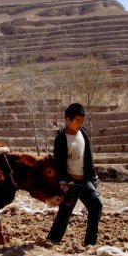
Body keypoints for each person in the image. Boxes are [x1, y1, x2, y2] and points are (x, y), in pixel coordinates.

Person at [47, 103, 103, 245]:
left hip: (84, 181)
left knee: (96, 204)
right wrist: (63, 181)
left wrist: (93, 178)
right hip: (69, 183)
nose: (80, 123)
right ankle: (52, 240)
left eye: (82, 120)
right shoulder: (61, 137)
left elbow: (88, 157)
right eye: (77, 120)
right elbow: (59, 162)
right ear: (68, 120)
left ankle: (90, 242)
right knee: (65, 212)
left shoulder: (83, 134)